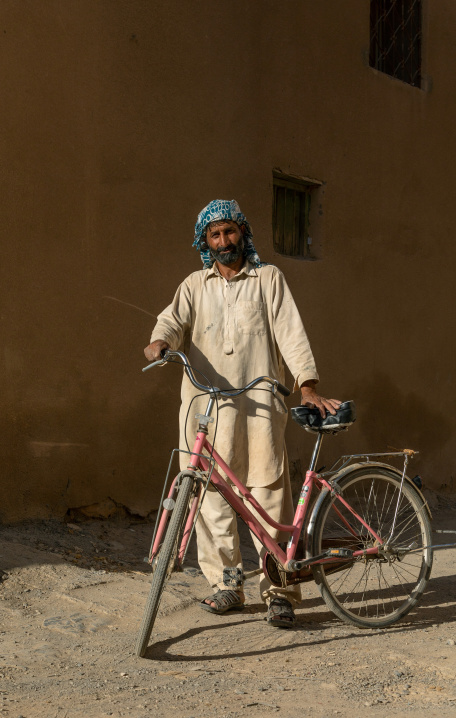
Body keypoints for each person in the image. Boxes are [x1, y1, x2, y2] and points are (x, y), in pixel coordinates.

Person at [144, 199, 340, 628]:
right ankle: (226, 585)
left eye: (230, 232)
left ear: (243, 234)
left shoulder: (268, 279)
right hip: (205, 408)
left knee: (267, 492)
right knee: (210, 495)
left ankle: (280, 591)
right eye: (214, 235)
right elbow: (171, 321)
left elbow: (291, 332)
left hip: (259, 407)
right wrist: (160, 342)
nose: (223, 241)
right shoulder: (195, 285)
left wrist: (306, 385)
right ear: (205, 242)